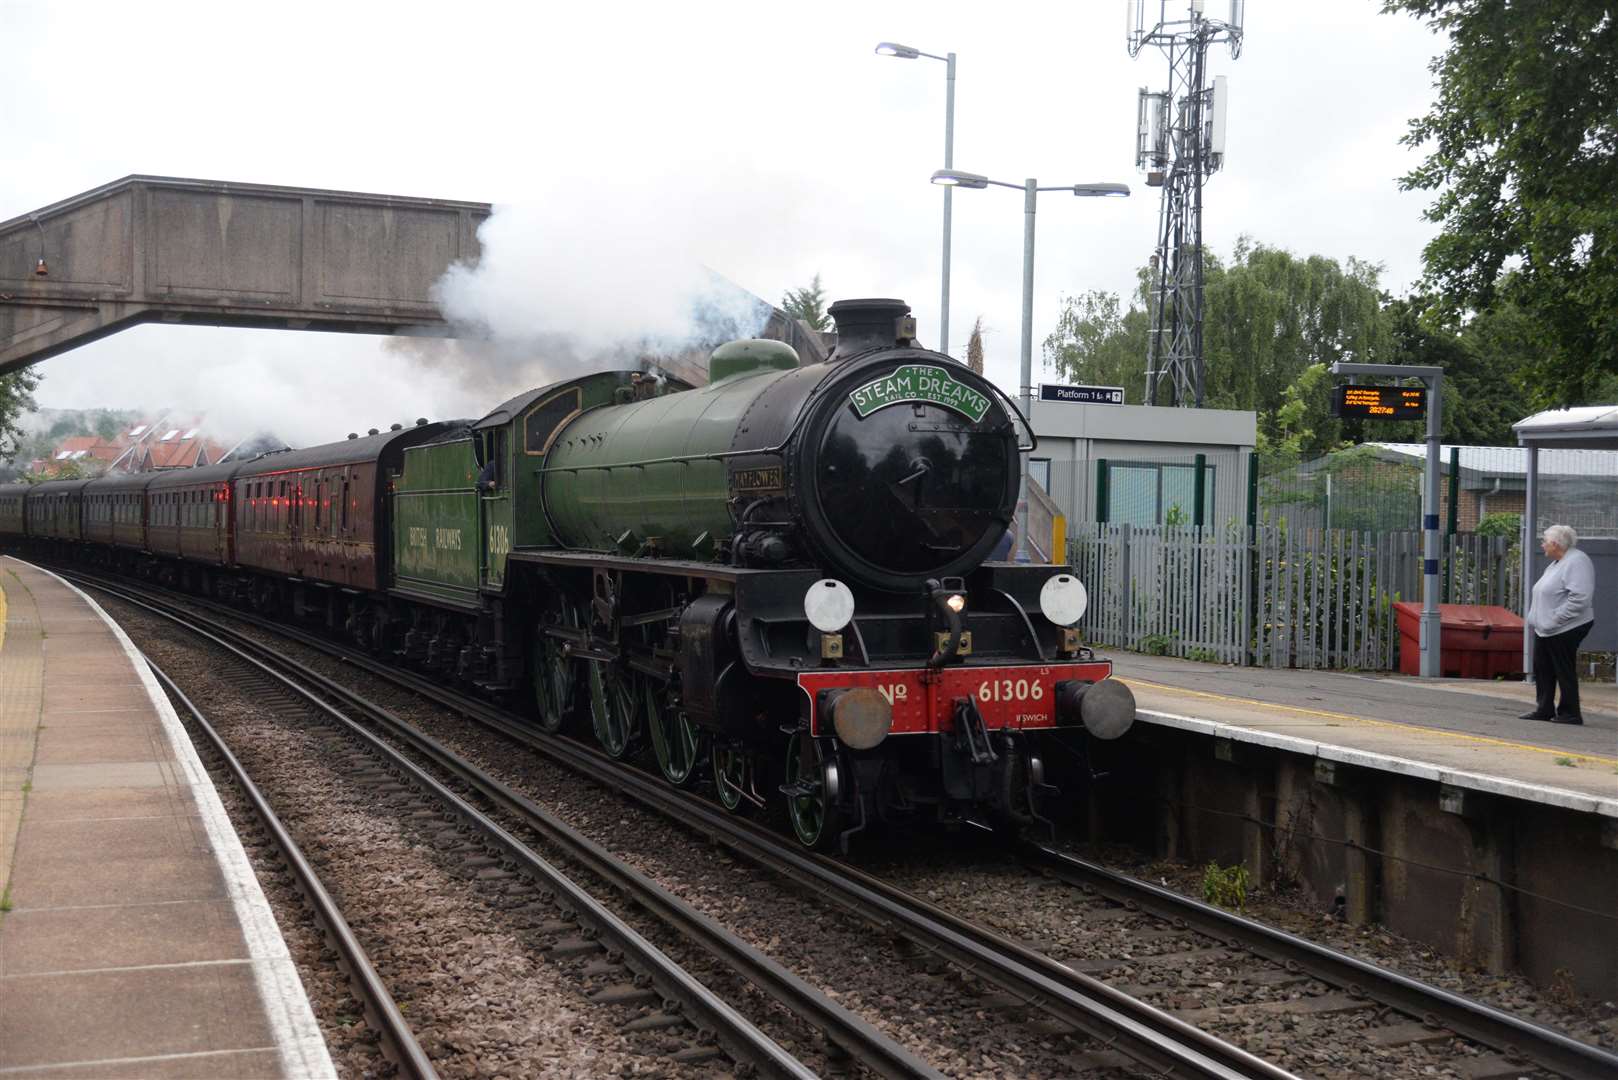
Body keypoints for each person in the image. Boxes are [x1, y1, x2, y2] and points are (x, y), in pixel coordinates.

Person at [1521, 524, 1596, 724]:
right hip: (1546, 628)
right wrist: (1541, 622)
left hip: (1566, 627)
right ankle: (1544, 708)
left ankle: (1570, 713)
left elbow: (1580, 598)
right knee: (1543, 668)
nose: (1542, 544)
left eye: (1545, 541)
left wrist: (1555, 619)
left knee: (1563, 668)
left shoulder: (1576, 561)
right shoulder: (1557, 563)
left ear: (1555, 544)